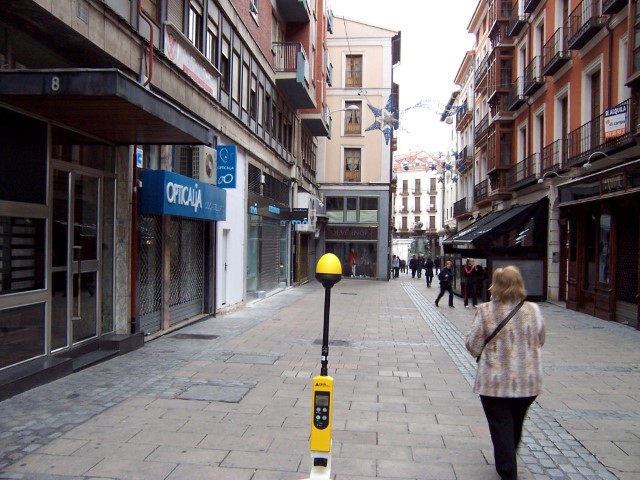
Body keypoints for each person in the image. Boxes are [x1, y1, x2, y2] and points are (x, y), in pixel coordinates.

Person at [465, 266, 545, 480]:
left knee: (501, 425)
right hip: (527, 381)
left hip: (495, 383)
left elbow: (473, 345)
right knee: (515, 422)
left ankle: (508, 470)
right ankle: (508, 457)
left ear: (496, 285)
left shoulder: (485, 311)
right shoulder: (533, 310)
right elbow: (541, 339)